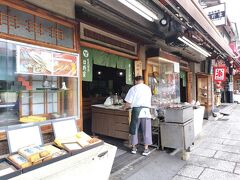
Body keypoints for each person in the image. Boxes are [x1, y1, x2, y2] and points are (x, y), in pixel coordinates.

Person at [123, 76, 152, 156]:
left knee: (134, 130)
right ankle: (146, 149)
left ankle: (134, 148)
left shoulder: (133, 88)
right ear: (142, 81)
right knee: (146, 130)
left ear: (135, 81)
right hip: (146, 112)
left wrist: (124, 107)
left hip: (136, 112)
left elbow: (128, 102)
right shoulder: (148, 88)